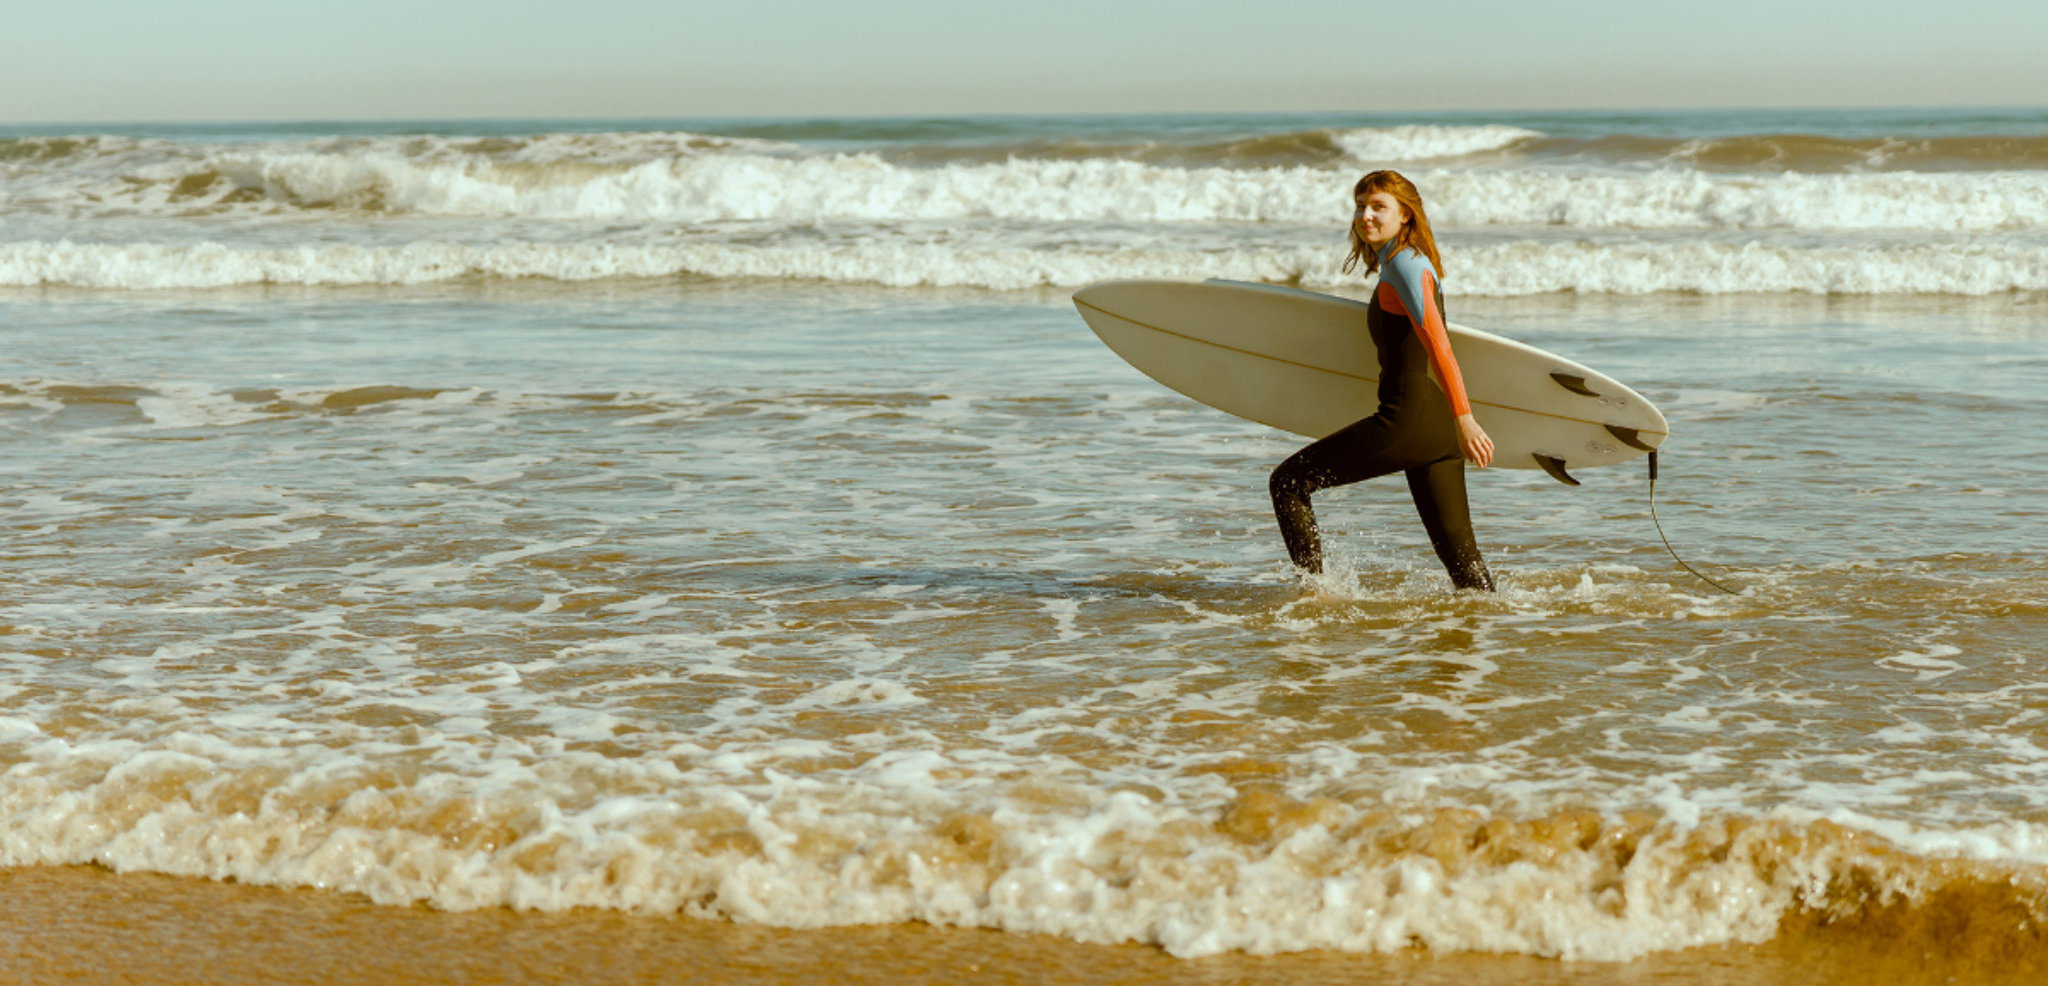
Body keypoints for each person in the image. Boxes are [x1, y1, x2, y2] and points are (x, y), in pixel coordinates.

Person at [1268, 170, 1497, 591]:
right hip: (1433, 428)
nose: (1365, 215)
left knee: (1287, 483)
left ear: (1406, 215)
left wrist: (1465, 418)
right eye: (1360, 206)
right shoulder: (1401, 262)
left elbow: (1440, 346)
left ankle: (1317, 599)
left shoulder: (1407, 265)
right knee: (1465, 570)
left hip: (1407, 419)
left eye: (1378, 206)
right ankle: (1491, 639)